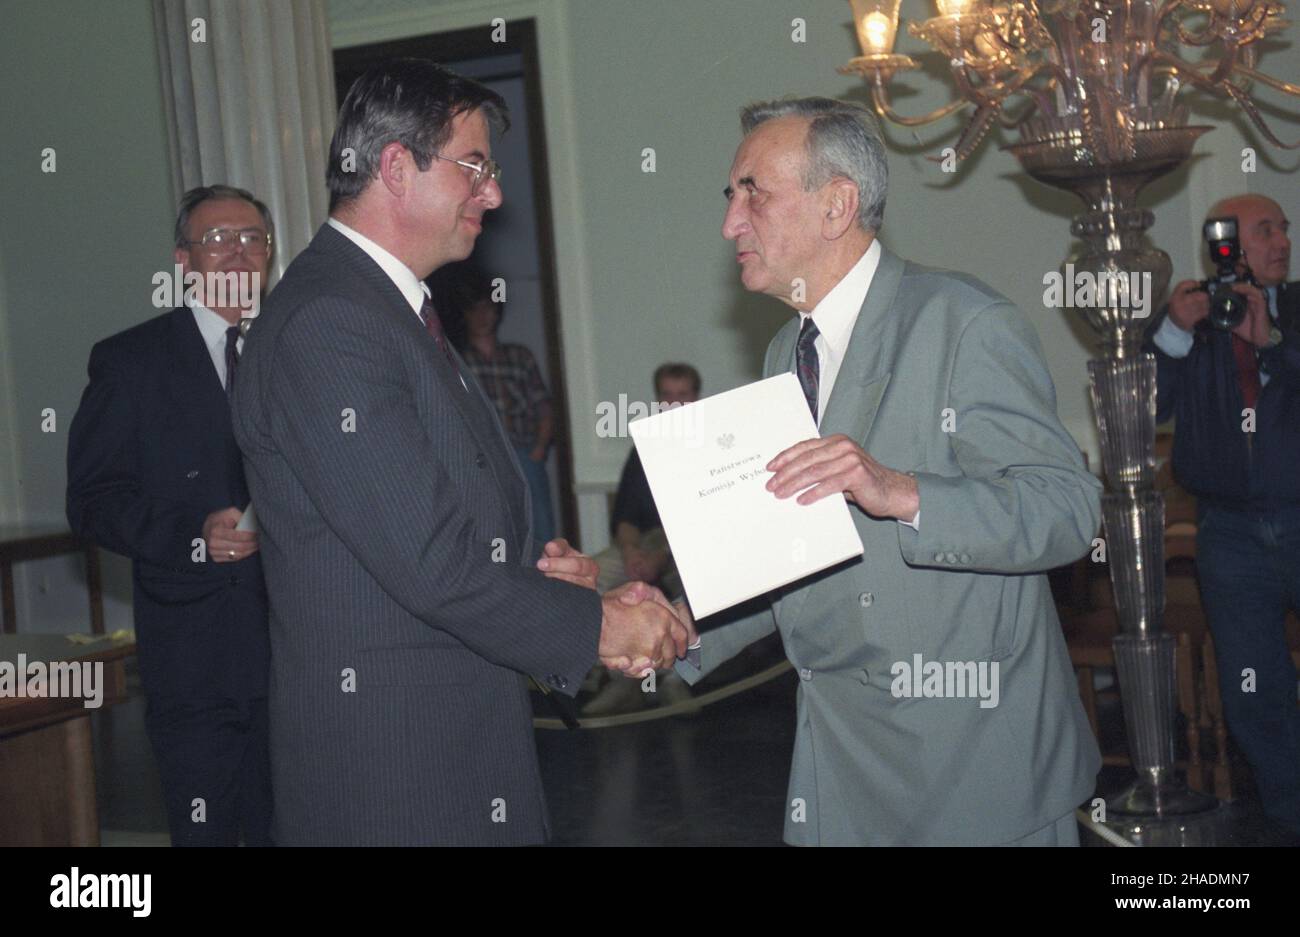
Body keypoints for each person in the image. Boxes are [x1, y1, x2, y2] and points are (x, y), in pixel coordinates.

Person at [230, 58, 686, 846]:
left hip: (453, 748)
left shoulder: (392, 312)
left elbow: (434, 528)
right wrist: (594, 626)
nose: (495, 193)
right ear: (396, 167)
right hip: (396, 774)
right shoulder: (331, 323)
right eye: (474, 166)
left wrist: (548, 583)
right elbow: (431, 562)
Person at [672, 97, 1103, 846]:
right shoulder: (785, 352)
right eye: (730, 197)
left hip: (973, 770)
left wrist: (899, 491)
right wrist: (671, 624)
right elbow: (791, 553)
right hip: (842, 769)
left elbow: (1066, 509)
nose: (730, 224)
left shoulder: (963, 322)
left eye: (753, 194)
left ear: (837, 204)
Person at [66, 184, 275, 846]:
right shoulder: (131, 362)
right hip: (194, 660)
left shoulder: (297, 351)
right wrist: (192, 534)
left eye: (253, 239)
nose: (238, 253)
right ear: (182, 261)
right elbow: (92, 500)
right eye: (218, 239)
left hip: (299, 655)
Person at [1147, 194, 1300, 837]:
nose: (1283, 241)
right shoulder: (1194, 322)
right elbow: (1141, 410)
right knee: (1255, 693)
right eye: (1266, 230)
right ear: (1224, 244)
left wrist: (1269, 345)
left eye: (1284, 229)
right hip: (1229, 532)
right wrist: (1173, 334)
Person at [432, 263, 558, 545]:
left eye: (488, 308)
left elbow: (545, 408)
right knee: (495, 535)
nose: (482, 316)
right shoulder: (457, 362)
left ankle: (551, 586)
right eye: (474, 309)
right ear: (465, 315)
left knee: (542, 532)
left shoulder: (519, 356)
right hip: (483, 461)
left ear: (497, 311)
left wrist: (537, 452)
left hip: (525, 456)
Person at [594, 362, 701, 597]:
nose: (674, 403)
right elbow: (626, 515)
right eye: (667, 394)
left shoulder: (709, 447)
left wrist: (662, 556)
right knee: (591, 579)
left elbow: (706, 521)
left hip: (694, 550)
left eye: (682, 395)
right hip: (643, 544)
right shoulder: (643, 449)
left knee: (697, 592)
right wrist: (631, 552)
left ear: (696, 398)